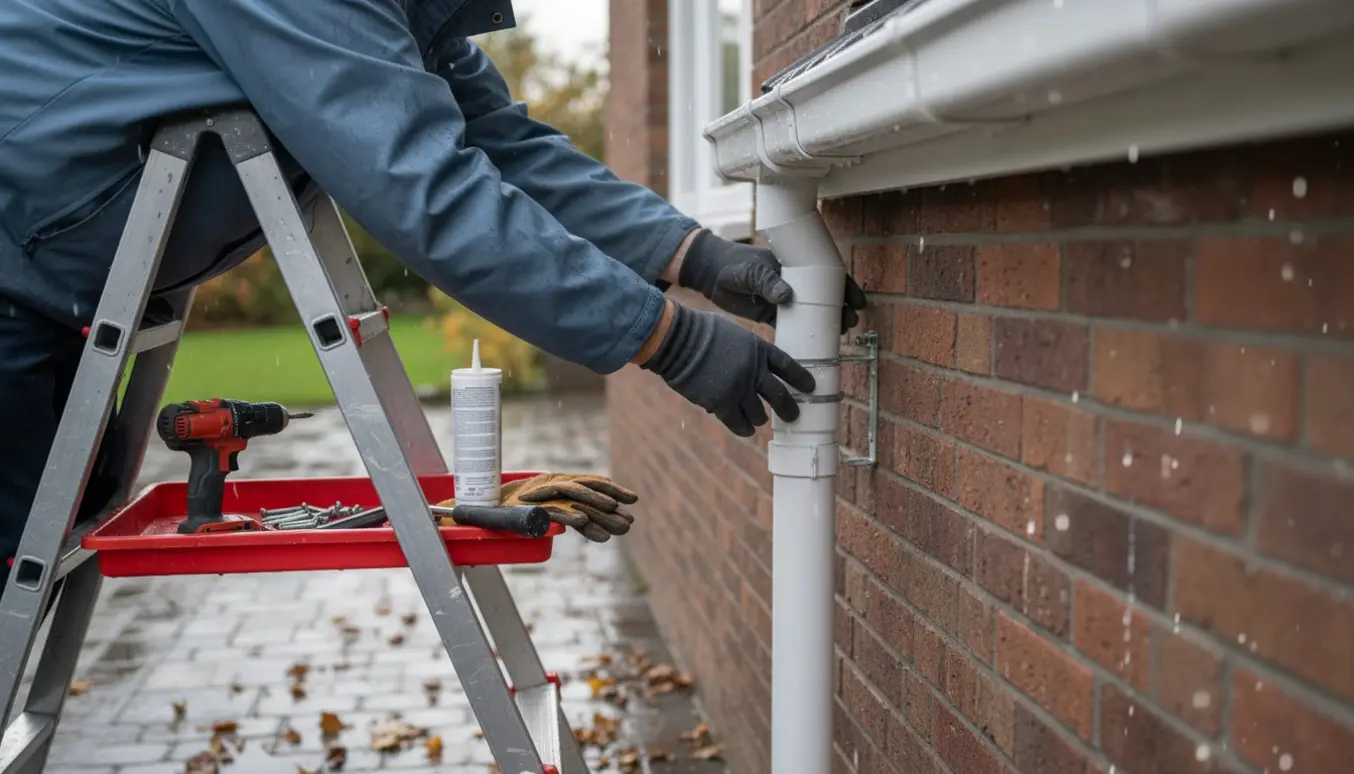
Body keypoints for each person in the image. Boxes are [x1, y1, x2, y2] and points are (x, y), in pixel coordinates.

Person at [0, 0, 866, 591]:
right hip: (14, 267)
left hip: (58, 286)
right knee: (15, 582)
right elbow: (421, 184)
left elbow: (505, 148)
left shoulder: (392, 14)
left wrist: (696, 255)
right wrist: (669, 339)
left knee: (37, 568)